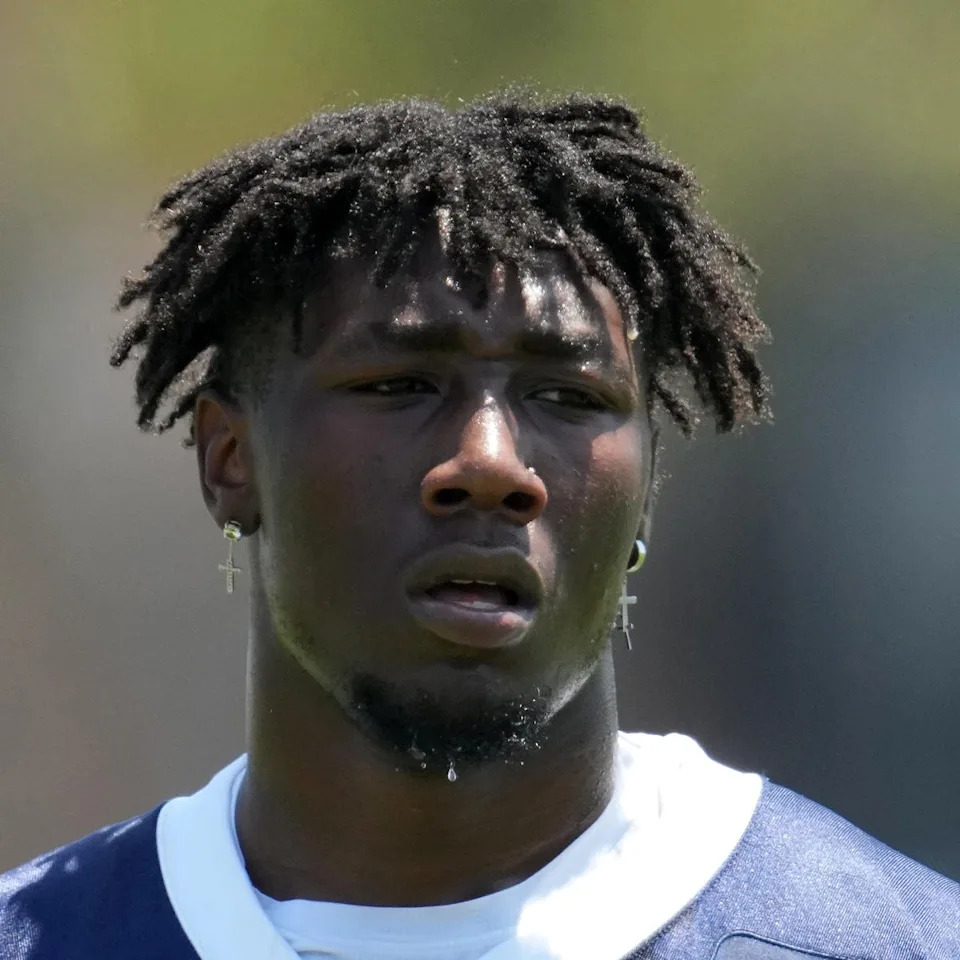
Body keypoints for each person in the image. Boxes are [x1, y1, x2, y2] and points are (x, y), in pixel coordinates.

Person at [1, 93, 956, 960]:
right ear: (228, 458)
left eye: (566, 395)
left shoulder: (885, 939)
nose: (491, 462)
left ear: (648, 486)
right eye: (399, 385)